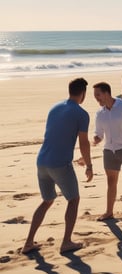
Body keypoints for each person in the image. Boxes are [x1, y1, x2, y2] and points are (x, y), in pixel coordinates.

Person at [22, 78, 93, 254]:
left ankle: (29, 242)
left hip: (42, 161)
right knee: (74, 199)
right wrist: (89, 164)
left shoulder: (54, 108)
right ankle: (67, 242)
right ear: (83, 94)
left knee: (47, 200)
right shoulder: (81, 114)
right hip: (60, 164)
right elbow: (84, 142)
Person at [93, 82, 122, 222]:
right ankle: (109, 212)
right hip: (109, 150)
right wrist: (96, 139)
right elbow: (99, 134)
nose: (97, 99)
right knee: (111, 180)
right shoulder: (100, 113)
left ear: (107, 93)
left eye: (98, 95)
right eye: (95, 96)